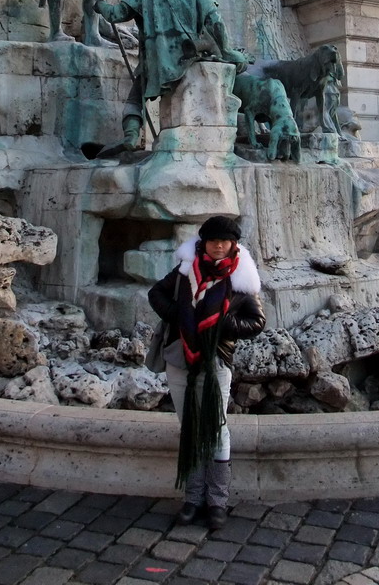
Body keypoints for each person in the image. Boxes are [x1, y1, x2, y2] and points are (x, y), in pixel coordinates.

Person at [148, 216, 265, 529]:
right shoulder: (186, 269)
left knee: (215, 428)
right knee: (189, 426)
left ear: (232, 244)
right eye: (212, 240)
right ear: (203, 242)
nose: (218, 245)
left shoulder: (241, 277)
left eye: (224, 241)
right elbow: (155, 294)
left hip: (215, 361)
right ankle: (193, 496)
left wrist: (225, 325)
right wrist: (178, 316)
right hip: (180, 357)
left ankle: (217, 500)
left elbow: (257, 321)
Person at [95, 0, 248, 150]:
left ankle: (131, 135)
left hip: (156, 62)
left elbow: (116, 14)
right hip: (189, 56)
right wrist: (227, 51)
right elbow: (215, 23)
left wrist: (100, 4)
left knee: (135, 98)